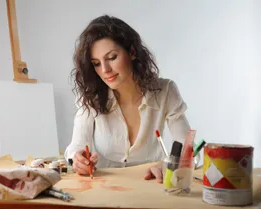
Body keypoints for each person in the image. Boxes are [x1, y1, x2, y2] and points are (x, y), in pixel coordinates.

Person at [64, 15, 198, 183]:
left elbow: (188, 150)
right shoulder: (91, 96)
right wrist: (77, 159)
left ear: (132, 52)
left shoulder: (165, 91)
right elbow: (76, 146)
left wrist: (168, 165)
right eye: (96, 63)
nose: (105, 69)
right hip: (105, 190)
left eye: (112, 57)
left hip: (151, 185)